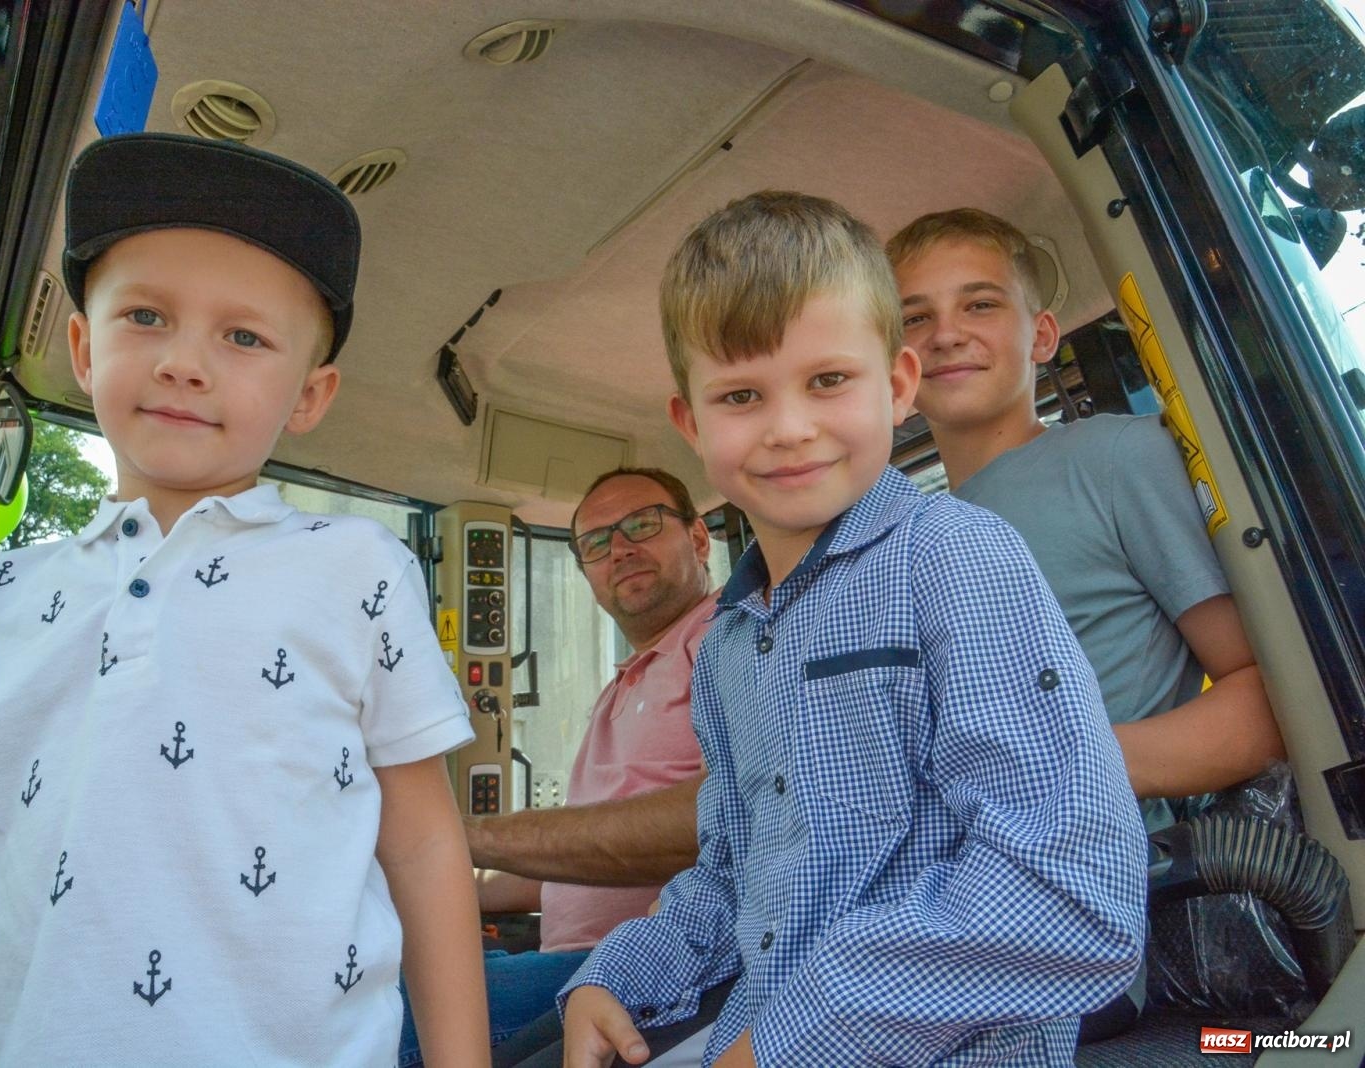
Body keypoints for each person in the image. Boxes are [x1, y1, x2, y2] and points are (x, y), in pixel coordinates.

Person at [0, 133, 487, 1066]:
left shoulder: (358, 570)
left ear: (310, 396)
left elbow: (425, 847)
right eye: (145, 316)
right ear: (82, 346)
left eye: (244, 336)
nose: (186, 362)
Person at [559, 192, 1148, 1067]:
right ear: (691, 423)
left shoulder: (958, 564)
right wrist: (617, 973)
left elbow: (1071, 895)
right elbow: (732, 868)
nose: (790, 428)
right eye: (741, 395)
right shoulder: (728, 644)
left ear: (898, 384)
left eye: (828, 380)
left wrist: (793, 1040)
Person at [886, 206, 1286, 1037]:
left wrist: (1061, 768)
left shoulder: (1113, 456)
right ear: (893, 362)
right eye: (915, 316)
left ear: (1040, 337)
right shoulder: (904, 535)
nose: (947, 332)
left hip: (1072, 904)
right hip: (927, 894)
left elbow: (1263, 696)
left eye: (980, 304)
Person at [400, 466, 716, 1067]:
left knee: (374, 1005)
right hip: (559, 953)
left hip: (635, 960)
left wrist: (459, 836)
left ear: (699, 539)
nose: (619, 549)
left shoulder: (725, 640)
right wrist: (421, 873)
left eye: (642, 524)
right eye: (595, 543)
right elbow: (573, 868)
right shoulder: (626, 679)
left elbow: (721, 818)